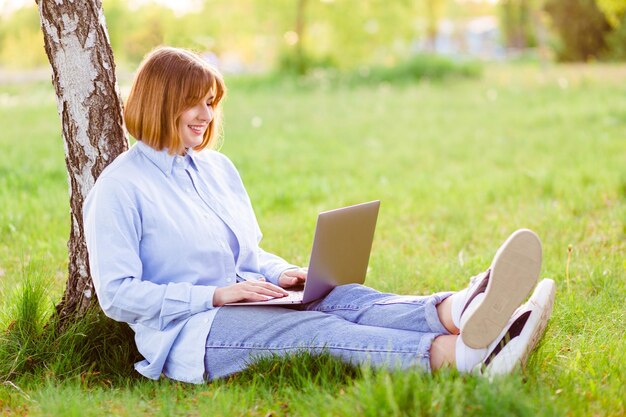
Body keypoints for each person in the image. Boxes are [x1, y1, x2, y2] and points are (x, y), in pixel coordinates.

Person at [83, 46, 556, 384]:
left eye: (211, 102)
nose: (206, 114)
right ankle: (467, 358)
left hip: (250, 298)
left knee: (345, 299)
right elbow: (118, 296)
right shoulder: (121, 188)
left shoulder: (215, 168)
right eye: (195, 101)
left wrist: (282, 273)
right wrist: (215, 295)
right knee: (321, 330)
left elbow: (247, 253)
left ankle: (467, 310)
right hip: (193, 333)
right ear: (161, 100)